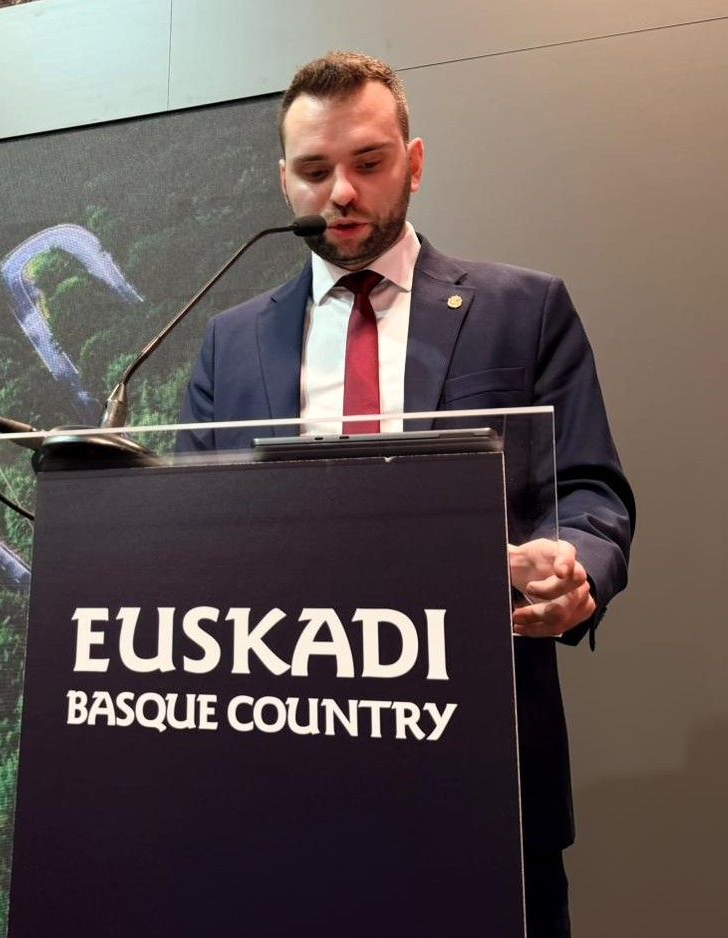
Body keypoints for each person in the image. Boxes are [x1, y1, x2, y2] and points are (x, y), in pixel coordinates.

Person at [178, 52, 635, 937]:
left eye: (369, 163)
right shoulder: (231, 345)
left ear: (414, 163)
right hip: (277, 775)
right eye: (315, 172)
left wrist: (576, 562)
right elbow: (189, 525)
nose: (341, 192)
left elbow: (591, 489)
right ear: (285, 182)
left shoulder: (524, 309)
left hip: (480, 770)